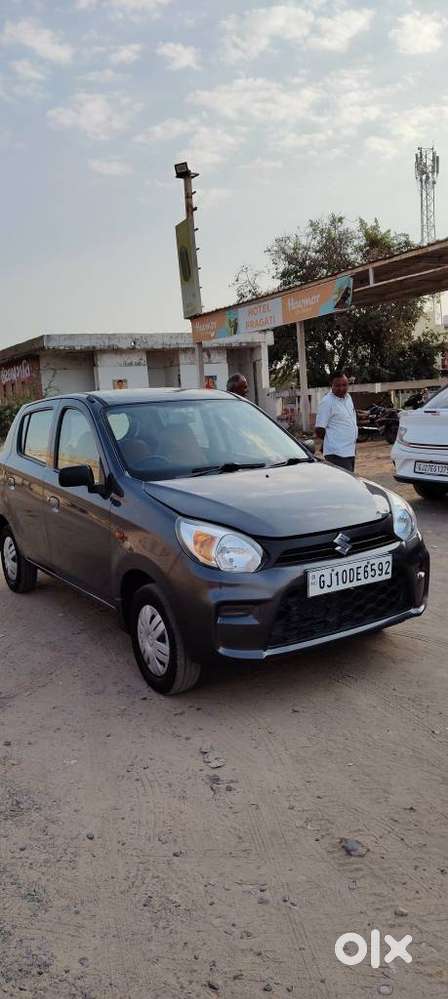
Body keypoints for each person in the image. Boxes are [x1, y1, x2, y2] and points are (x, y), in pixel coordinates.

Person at [315, 371, 358, 472]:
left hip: (350, 450)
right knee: (345, 480)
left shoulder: (348, 398)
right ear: (331, 385)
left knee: (350, 479)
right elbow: (319, 429)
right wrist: (331, 441)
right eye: (338, 385)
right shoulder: (327, 402)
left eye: (344, 385)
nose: (341, 388)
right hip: (336, 454)